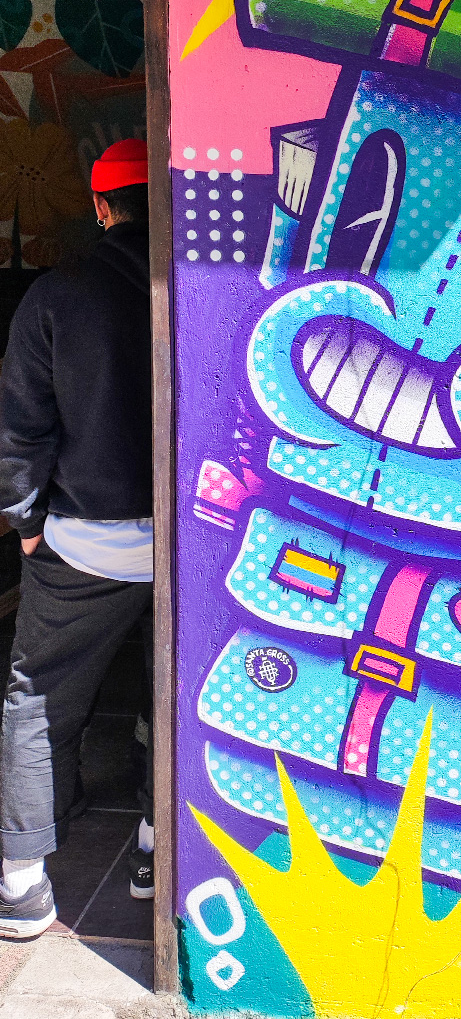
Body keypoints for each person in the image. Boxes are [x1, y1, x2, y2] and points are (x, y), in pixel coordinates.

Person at [0, 139, 154, 937]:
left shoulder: (57, 293)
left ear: (100, 206)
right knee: (173, 690)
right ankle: (155, 851)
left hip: (84, 542)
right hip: (195, 544)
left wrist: (26, 524)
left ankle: (24, 885)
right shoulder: (204, 289)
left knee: (37, 695)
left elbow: (20, 429)